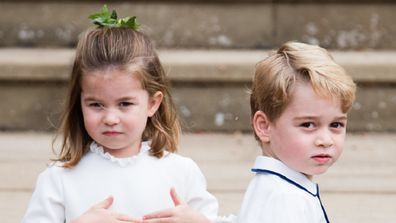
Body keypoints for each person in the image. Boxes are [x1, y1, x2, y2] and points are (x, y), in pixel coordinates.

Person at [22, 5, 218, 223]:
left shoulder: (182, 173)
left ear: (152, 103)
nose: (110, 119)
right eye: (96, 104)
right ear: (80, 103)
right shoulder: (59, 180)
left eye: (125, 104)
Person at [142, 41, 356, 223]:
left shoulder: (277, 184)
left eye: (336, 125)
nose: (325, 140)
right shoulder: (286, 198)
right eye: (308, 125)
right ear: (264, 126)